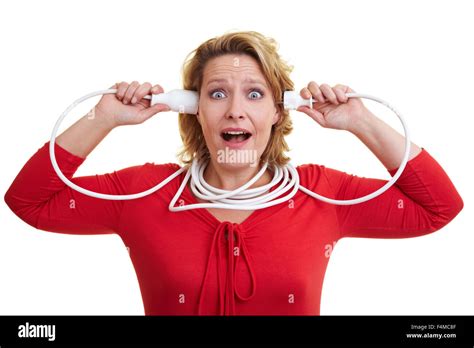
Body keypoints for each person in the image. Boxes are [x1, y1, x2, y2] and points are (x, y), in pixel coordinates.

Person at [4, 31, 464, 315]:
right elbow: (30, 203)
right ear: (194, 110)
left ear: (280, 114)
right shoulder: (145, 192)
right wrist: (101, 119)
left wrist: (360, 121)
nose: (236, 112)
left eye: (256, 95)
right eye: (217, 94)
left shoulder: (323, 194)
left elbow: (439, 208)